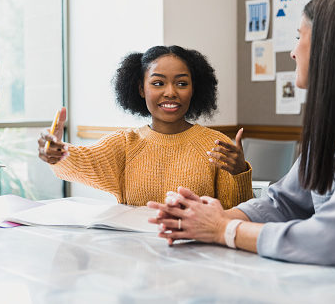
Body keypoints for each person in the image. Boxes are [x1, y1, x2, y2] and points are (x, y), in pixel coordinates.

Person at [148, 0, 335, 265]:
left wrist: (223, 230)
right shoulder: (332, 120)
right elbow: (284, 202)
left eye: (299, 37)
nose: (294, 52)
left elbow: (334, 239)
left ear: (327, 45)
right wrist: (204, 217)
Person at [38, 45, 253, 208]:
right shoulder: (124, 144)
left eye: (181, 83)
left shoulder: (217, 145)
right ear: (141, 89)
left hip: (197, 256)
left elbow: (237, 214)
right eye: (158, 83)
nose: (170, 92)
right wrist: (58, 153)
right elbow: (82, 160)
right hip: (134, 258)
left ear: (194, 89)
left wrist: (240, 173)